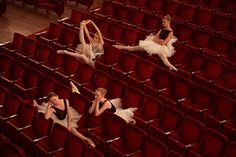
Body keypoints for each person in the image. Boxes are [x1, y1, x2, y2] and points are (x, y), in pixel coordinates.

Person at [113, 14, 178, 71]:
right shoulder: (161, 30)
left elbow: (163, 43)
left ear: (169, 22)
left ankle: (171, 67)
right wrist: (158, 40)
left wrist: (158, 41)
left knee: (164, 59)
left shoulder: (171, 32)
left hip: (161, 47)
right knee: (134, 48)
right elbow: (155, 38)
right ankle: (120, 46)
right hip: (153, 44)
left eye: (164, 22)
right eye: (162, 22)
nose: (163, 23)